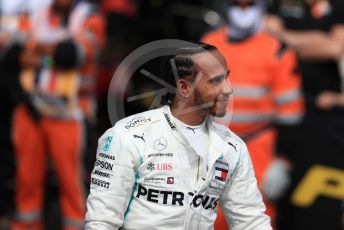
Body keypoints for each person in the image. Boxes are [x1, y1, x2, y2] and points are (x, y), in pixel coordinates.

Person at [85, 43, 272, 229]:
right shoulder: (128, 137)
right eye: (215, 81)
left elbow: (251, 221)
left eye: (227, 78)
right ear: (184, 88)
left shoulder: (233, 147)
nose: (228, 89)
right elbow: (102, 222)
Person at [201, 0, 304, 228]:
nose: (243, 10)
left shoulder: (277, 50)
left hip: (258, 149)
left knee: (254, 218)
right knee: (207, 218)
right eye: (238, 4)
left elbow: (291, 116)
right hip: (213, 146)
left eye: (249, 5)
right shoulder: (209, 44)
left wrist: (282, 162)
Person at [11, 0, 105, 229]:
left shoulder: (90, 16)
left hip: (69, 113)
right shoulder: (37, 12)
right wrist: (50, 53)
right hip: (32, 107)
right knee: (26, 178)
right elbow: (15, 52)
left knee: (71, 182)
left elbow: (72, 55)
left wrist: (40, 51)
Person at [265, 0, 344, 229]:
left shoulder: (337, 6)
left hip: (323, 113)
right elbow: (268, 36)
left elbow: (334, 48)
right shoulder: (281, 3)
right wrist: (316, 41)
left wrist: (285, 38)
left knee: (318, 199)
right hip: (282, 111)